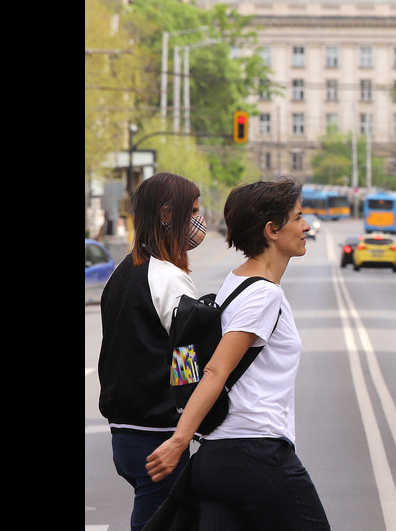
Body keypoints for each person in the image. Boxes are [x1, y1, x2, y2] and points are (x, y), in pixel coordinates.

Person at [145, 177, 331, 530]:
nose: (306, 226)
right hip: (256, 454)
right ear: (272, 230)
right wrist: (178, 441)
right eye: (298, 217)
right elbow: (216, 371)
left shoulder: (236, 283)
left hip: (215, 458)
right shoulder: (263, 295)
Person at [98, 172, 206, 531]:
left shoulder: (122, 274)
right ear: (166, 215)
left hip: (124, 434)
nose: (199, 220)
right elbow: (185, 360)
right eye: (193, 211)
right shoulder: (169, 279)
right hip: (157, 435)